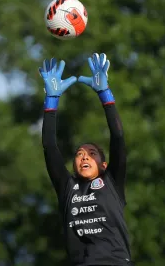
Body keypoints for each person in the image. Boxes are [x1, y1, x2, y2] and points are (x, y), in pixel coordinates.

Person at [40, 53, 133, 266]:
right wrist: (51, 101)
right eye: (79, 154)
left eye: (92, 154)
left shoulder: (112, 182)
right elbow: (49, 146)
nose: (84, 156)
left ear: (104, 165)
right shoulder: (67, 187)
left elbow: (118, 136)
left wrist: (105, 94)